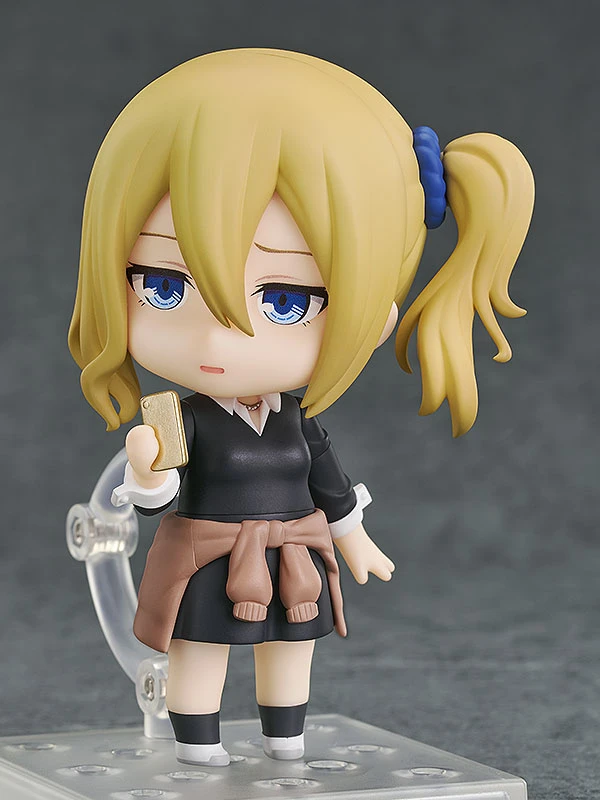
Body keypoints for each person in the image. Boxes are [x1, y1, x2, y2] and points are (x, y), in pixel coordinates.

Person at [68, 48, 534, 766]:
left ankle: (285, 739)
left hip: (292, 558)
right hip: (205, 557)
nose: (218, 338)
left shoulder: (298, 424)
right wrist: (146, 470)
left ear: (375, 315)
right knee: (200, 652)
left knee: (290, 651)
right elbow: (154, 499)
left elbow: (331, 488)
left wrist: (355, 540)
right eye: (163, 285)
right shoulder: (178, 417)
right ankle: (197, 748)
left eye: (286, 300)